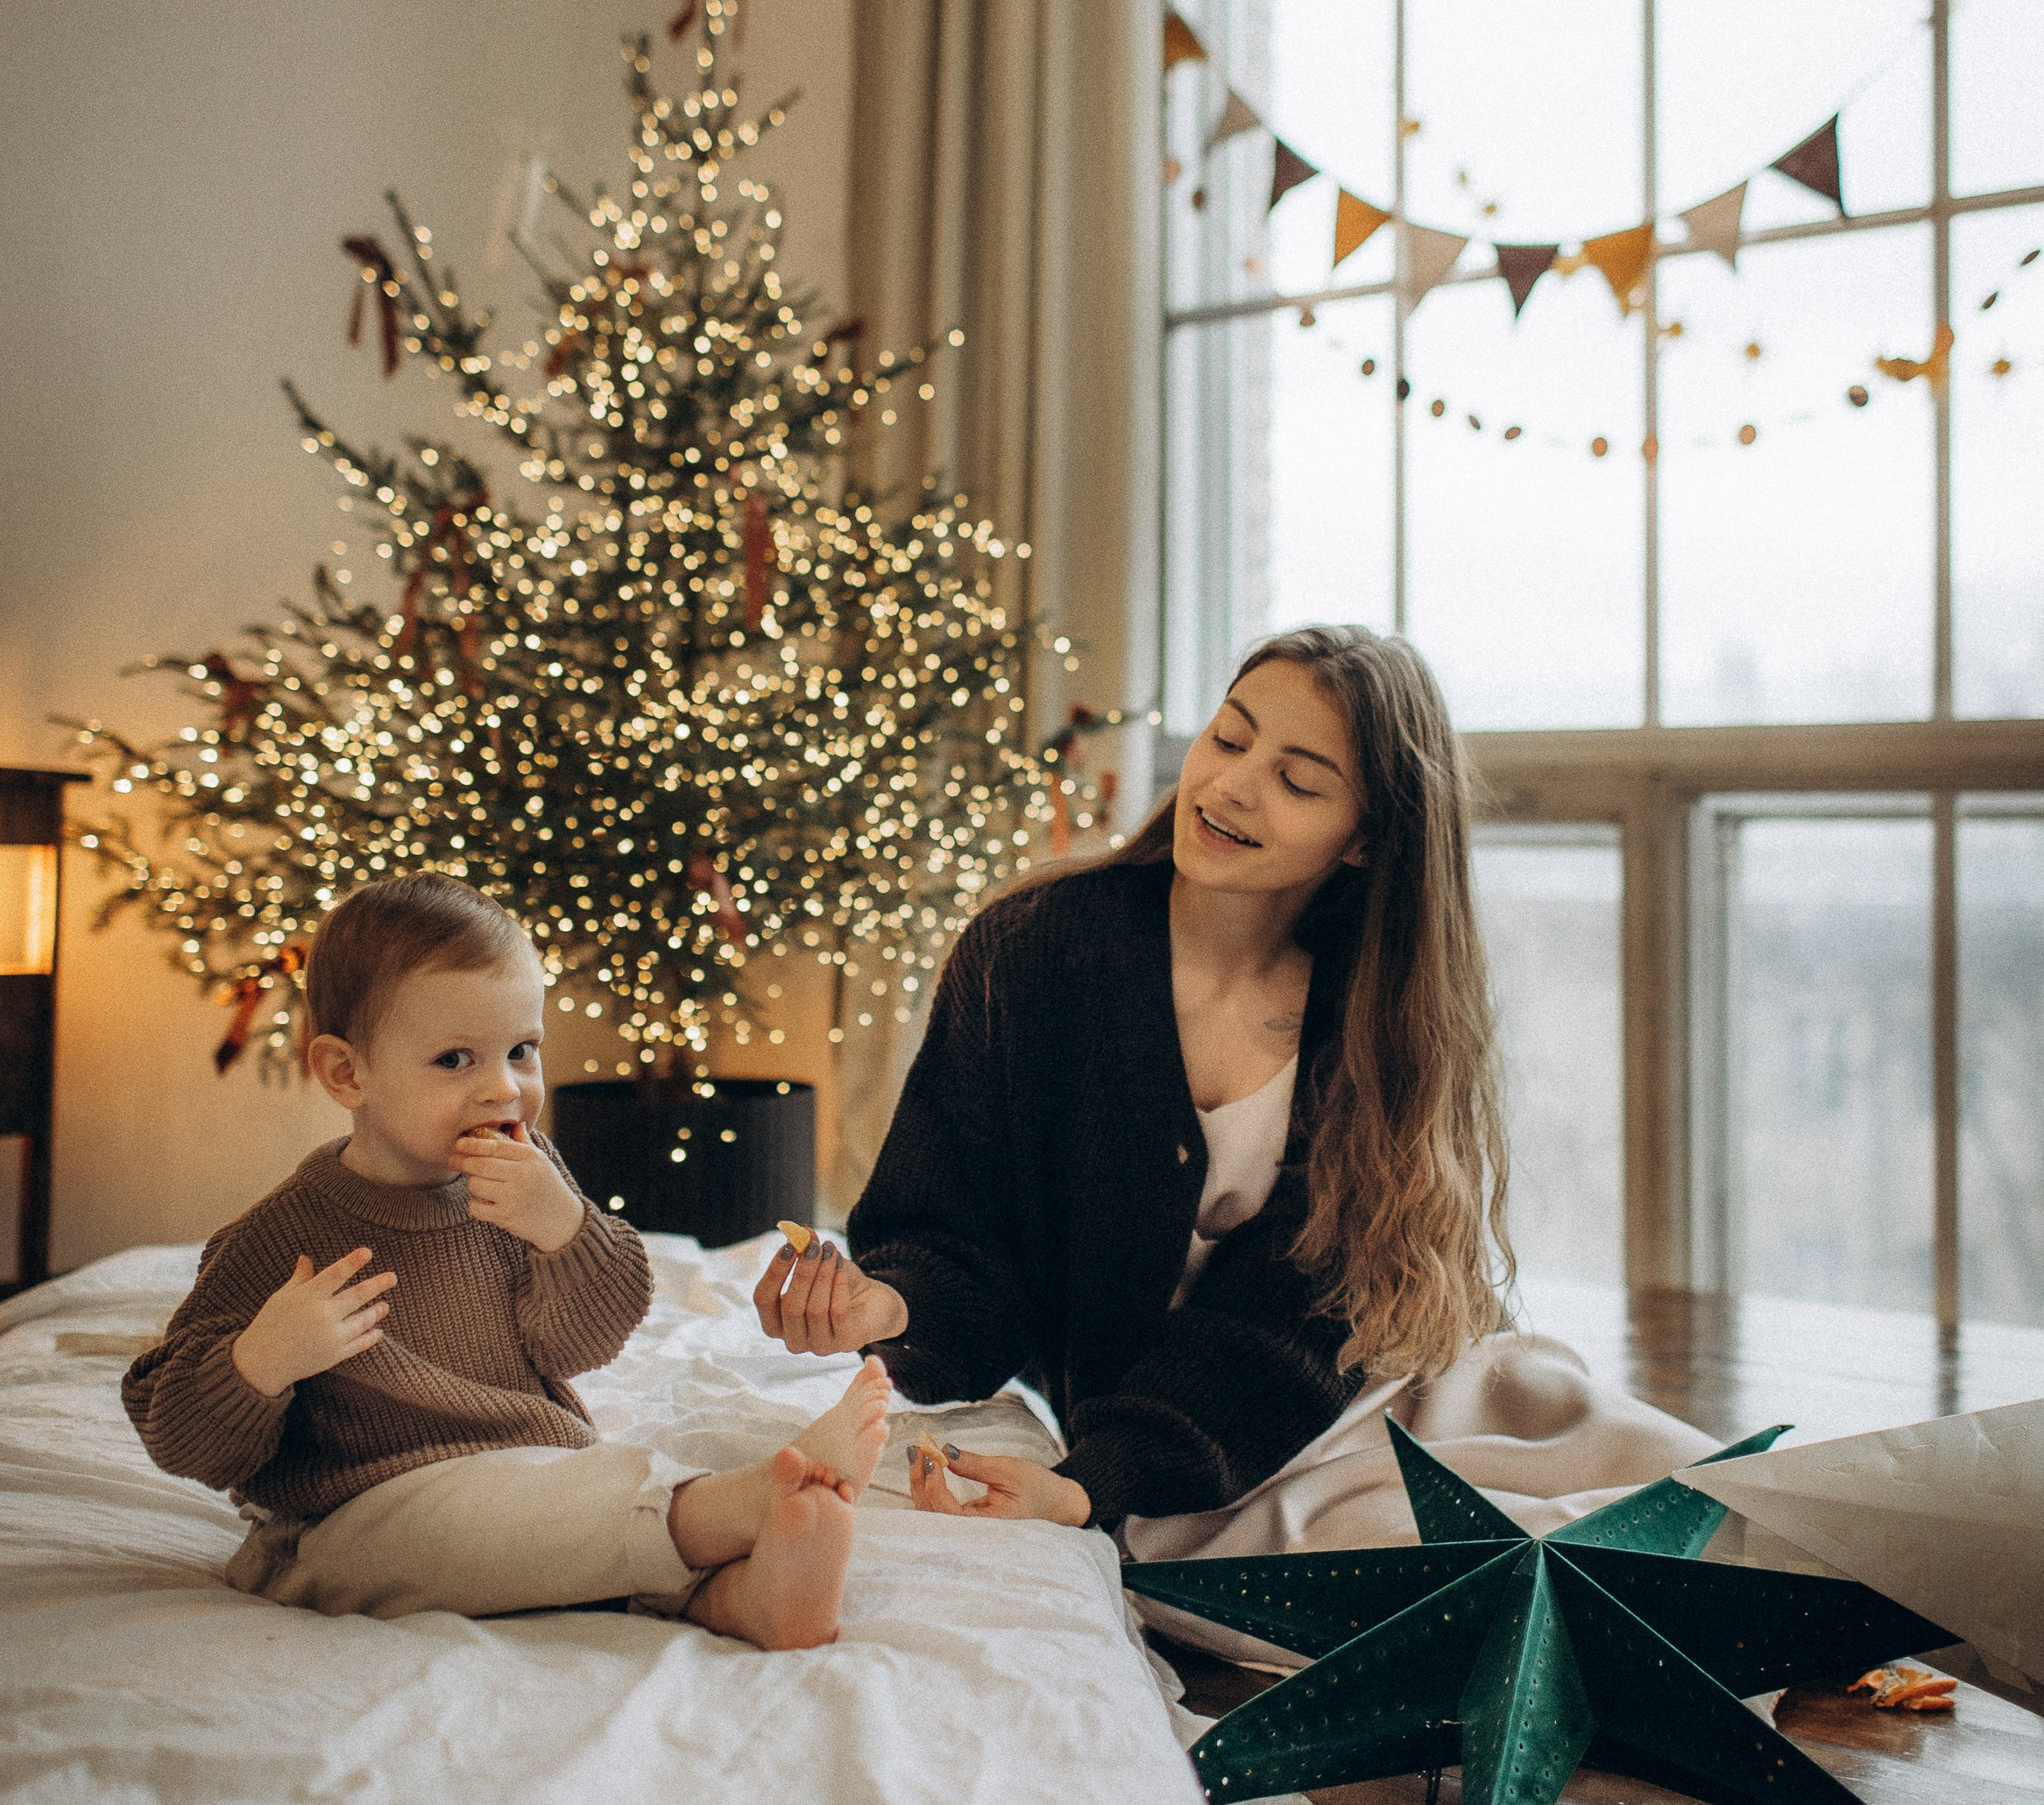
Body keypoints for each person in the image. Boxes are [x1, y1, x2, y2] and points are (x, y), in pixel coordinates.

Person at [752, 625, 1710, 1620]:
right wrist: (886, 1305)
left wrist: (1093, 1481)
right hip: (1183, 1468)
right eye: (1228, 737)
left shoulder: (1378, 1012)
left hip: (1356, 1386)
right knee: (1513, 1610)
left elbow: (1304, 1322)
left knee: (1732, 1518)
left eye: (1298, 780)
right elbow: (957, 1237)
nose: (1234, 785)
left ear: (1367, 837)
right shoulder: (1030, 951)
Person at [124, 874, 888, 1650]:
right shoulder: (281, 1240)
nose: (504, 1087)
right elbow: (179, 1438)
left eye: (521, 1051)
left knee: (571, 1503)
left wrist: (563, 1228)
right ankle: (738, 1505)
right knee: (473, 1529)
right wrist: (260, 1360)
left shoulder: (528, 1178)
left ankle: (739, 1604)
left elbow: (583, 1346)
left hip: (531, 1474)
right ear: (347, 1073)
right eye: (455, 1059)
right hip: (346, 1527)